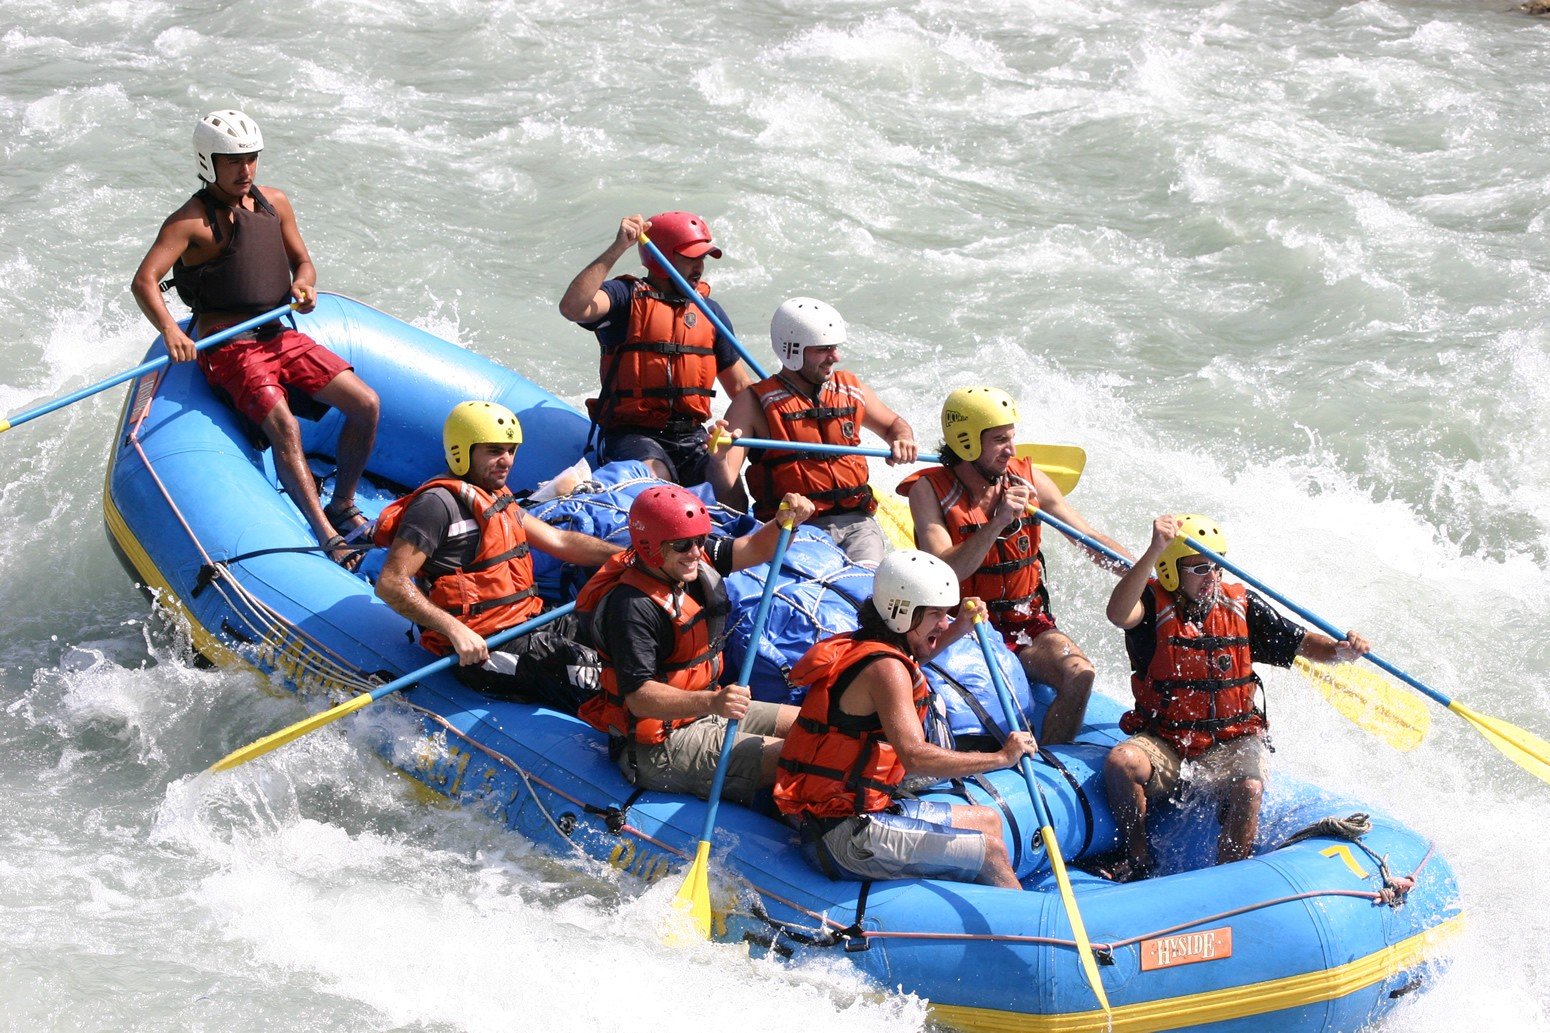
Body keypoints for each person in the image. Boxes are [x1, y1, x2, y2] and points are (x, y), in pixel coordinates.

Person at [130, 109, 379, 569]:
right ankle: (327, 537)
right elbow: (145, 280)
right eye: (233, 161)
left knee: (366, 402)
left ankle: (341, 505)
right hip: (228, 346)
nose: (245, 170)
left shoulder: (275, 202)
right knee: (285, 426)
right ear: (209, 162)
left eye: (251, 159)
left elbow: (303, 262)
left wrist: (305, 286)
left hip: (278, 334)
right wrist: (169, 329)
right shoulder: (189, 222)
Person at [1102, 514, 1371, 881]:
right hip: (1167, 741)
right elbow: (1118, 613)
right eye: (1199, 568)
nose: (1211, 577)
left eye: (1216, 567)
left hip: (1229, 744)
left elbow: (1308, 645)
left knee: (1248, 785)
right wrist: (1154, 549)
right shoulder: (1150, 604)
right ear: (1169, 571)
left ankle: (1228, 879)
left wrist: (1344, 650)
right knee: (1122, 761)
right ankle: (1138, 858)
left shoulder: (1242, 608)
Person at [773, 551, 1037, 888]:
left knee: (987, 821)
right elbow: (914, 755)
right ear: (901, 614)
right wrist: (1001, 757)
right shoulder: (885, 669)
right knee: (991, 851)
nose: (943, 623)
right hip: (845, 835)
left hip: (860, 812)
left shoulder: (874, 646)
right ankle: (1016, 934)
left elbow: (916, 655)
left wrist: (960, 627)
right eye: (936, 614)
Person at [904, 386, 1131, 744]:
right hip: (962, 626)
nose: (1011, 450)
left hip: (1025, 624)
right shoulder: (928, 491)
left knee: (1080, 674)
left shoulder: (1028, 478)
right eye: (999, 440)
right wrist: (997, 522)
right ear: (966, 442)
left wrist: (1143, 571)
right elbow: (946, 572)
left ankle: (1050, 764)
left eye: (1012, 438)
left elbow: (1087, 537)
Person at [374, 401, 621, 711]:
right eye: (494, 451)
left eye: (511, 450)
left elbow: (559, 541)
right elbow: (390, 583)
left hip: (529, 621)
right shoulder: (436, 505)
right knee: (592, 672)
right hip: (483, 649)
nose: (506, 461)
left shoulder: (495, 495)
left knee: (620, 631)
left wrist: (627, 556)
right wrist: (455, 629)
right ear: (462, 451)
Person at [577, 485, 816, 802]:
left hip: (703, 709)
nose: (694, 551)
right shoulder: (632, 607)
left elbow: (756, 548)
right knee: (806, 755)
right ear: (650, 546)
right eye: (682, 545)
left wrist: (785, 521)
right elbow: (640, 698)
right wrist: (713, 704)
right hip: (657, 745)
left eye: (699, 540)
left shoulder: (691, 559)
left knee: (813, 725)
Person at [708, 297, 916, 566]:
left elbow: (893, 424)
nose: (835, 357)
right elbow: (725, 487)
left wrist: (903, 438)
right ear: (792, 350)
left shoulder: (851, 388)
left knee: (864, 590)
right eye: (823, 349)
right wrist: (718, 459)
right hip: (796, 528)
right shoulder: (751, 404)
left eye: (835, 347)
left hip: (858, 524)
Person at [557, 212, 756, 486]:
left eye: (702, 259)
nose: (699, 266)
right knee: (657, 477)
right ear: (660, 259)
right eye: (690, 257)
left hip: (692, 436)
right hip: (632, 435)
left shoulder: (710, 313)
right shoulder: (624, 297)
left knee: (728, 492)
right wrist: (618, 248)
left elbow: (741, 389)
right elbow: (572, 308)